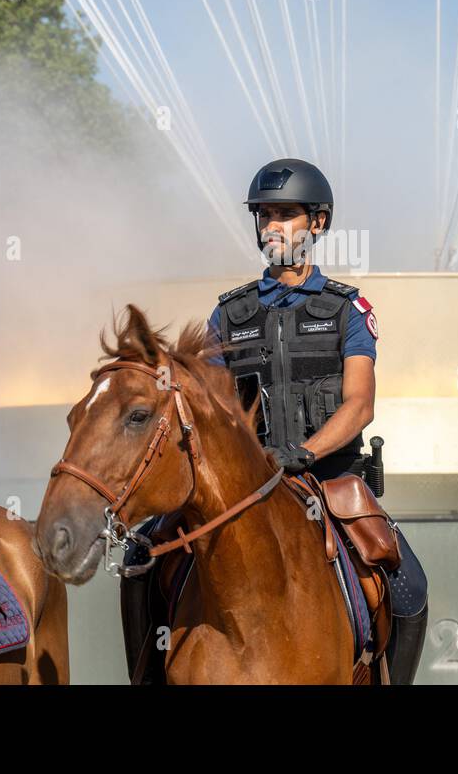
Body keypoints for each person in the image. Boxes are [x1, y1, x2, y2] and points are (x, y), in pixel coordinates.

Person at [121, 158, 429, 684]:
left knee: (408, 587)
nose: (272, 226)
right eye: (265, 215)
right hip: (244, 486)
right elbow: (210, 409)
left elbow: (360, 405)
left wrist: (303, 453)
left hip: (328, 478)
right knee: (140, 558)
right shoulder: (229, 315)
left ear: (318, 223)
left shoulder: (347, 310)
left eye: (286, 214)